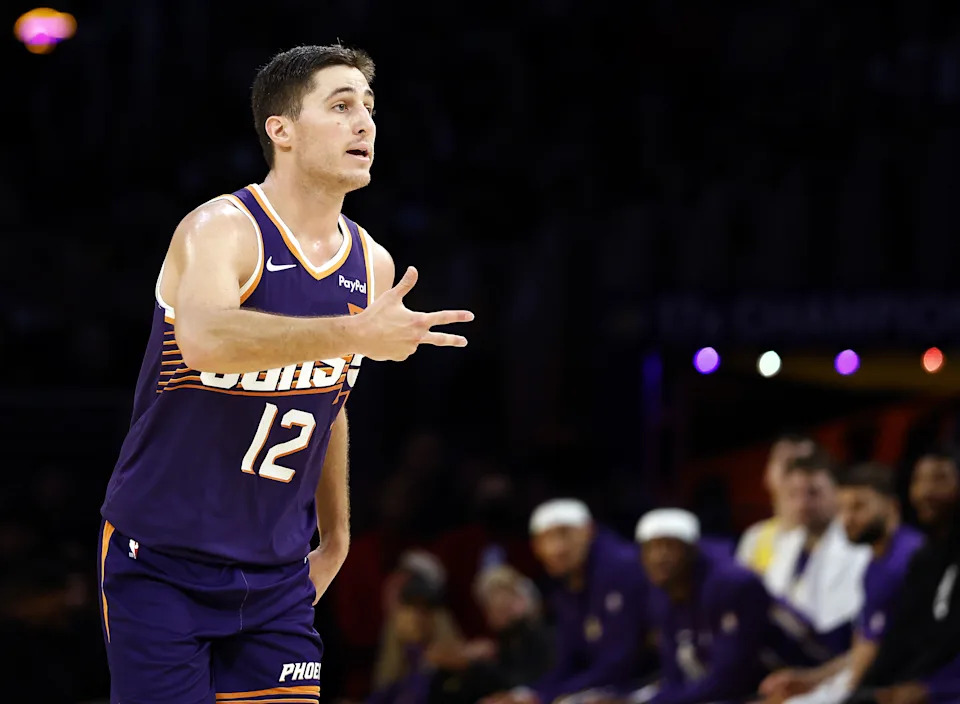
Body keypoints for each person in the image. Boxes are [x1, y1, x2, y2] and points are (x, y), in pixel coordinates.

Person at [97, 44, 474, 703]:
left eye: (369, 108)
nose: (365, 123)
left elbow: (329, 402)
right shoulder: (221, 229)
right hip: (161, 559)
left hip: (276, 574)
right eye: (341, 106)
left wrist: (338, 536)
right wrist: (351, 334)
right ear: (282, 129)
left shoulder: (372, 263)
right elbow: (206, 340)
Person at [615, 508, 830, 704]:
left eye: (669, 546)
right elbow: (676, 676)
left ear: (692, 549)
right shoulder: (662, 594)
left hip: (810, 678)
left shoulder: (733, 584)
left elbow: (730, 679)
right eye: (650, 548)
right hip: (747, 690)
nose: (659, 557)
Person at [759, 462, 925, 703]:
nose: (847, 518)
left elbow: (870, 662)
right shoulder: (875, 564)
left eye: (859, 507)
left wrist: (839, 695)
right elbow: (864, 648)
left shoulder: (909, 559)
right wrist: (811, 679)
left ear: (891, 506)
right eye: (842, 509)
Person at [482, 499, 654, 704]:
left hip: (648, 681)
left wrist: (543, 697)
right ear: (535, 547)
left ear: (589, 530)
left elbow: (620, 662)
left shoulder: (621, 568)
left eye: (565, 534)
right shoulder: (566, 582)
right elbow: (568, 662)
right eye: (546, 539)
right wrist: (525, 694)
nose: (558, 548)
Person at [843, 449, 960, 704]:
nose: (926, 491)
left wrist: (932, 689)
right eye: (918, 480)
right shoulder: (925, 559)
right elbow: (899, 641)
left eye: (940, 478)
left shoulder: (905, 554)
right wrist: (861, 694)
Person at [764, 452, 872, 652]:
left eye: (813, 493)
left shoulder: (860, 549)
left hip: (838, 651)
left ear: (837, 493)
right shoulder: (785, 545)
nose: (802, 504)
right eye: (793, 494)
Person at [737, 434, 817, 577]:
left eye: (804, 464)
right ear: (768, 475)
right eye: (787, 465)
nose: (796, 476)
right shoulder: (755, 538)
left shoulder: (836, 535)